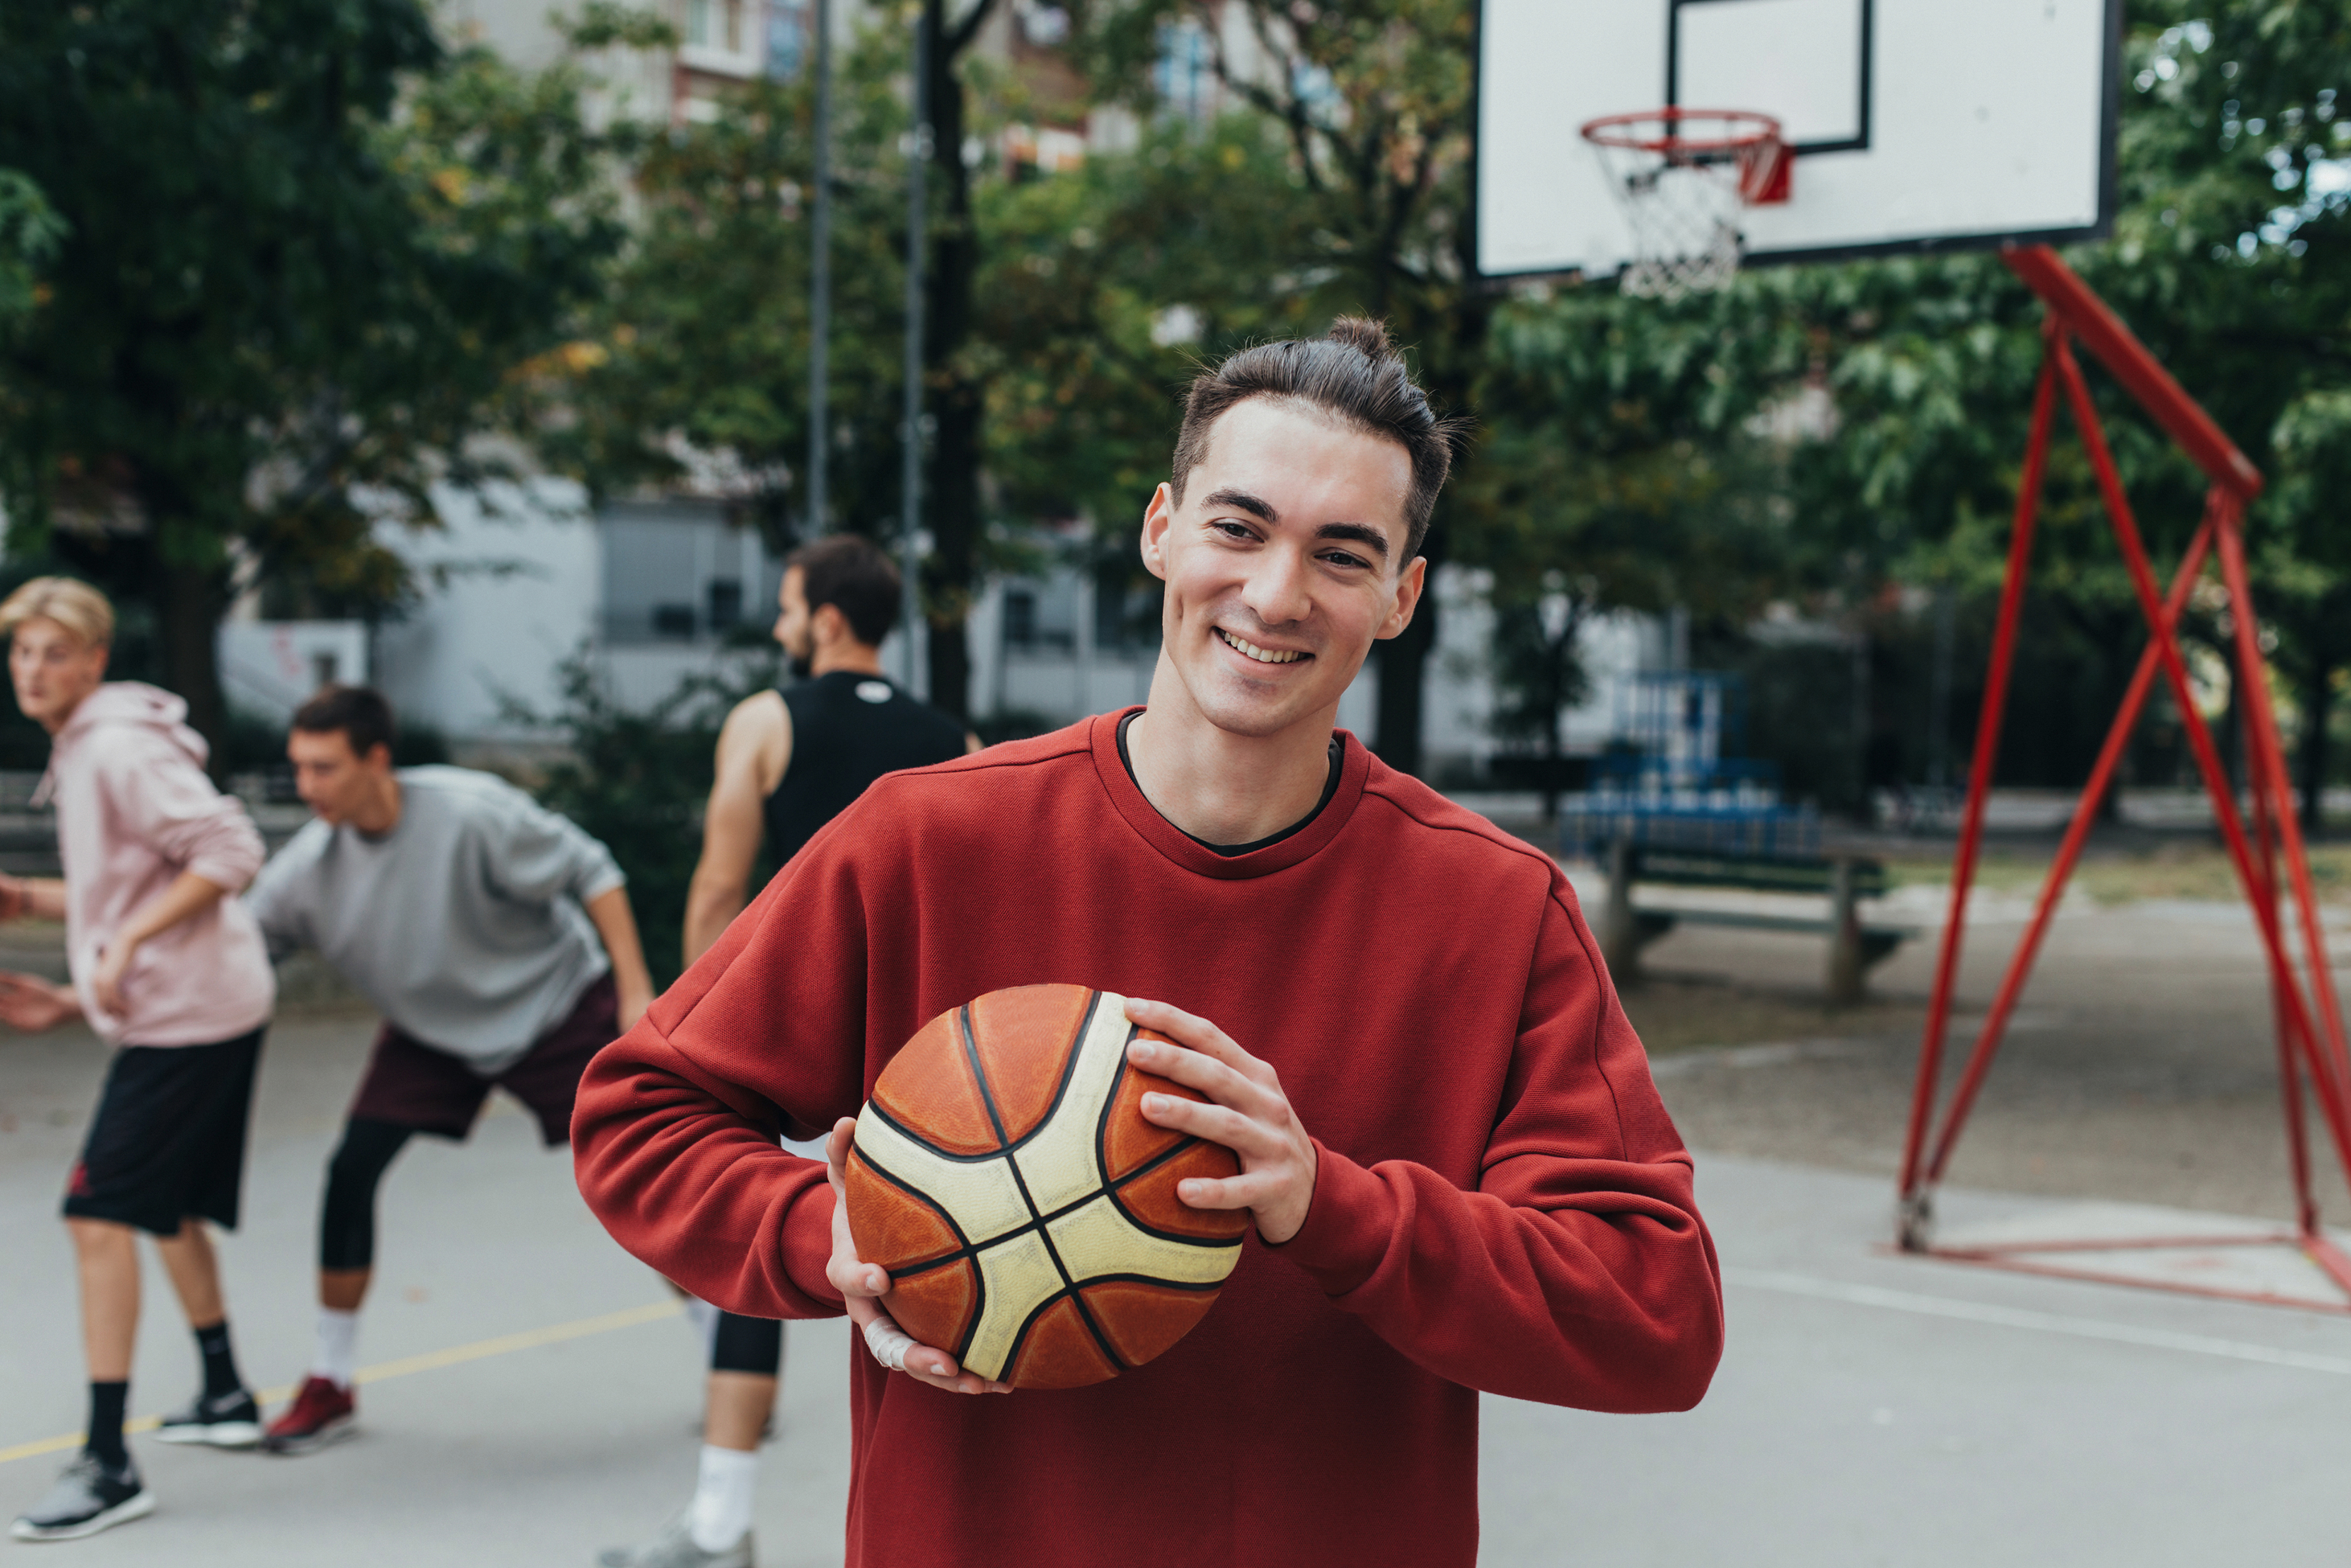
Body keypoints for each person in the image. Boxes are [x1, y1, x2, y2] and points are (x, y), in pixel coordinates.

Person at [572, 320, 1725, 1567]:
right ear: (1161, 528)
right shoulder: (924, 841)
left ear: (1401, 597)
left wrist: (1331, 1204)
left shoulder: (1496, 909)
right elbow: (639, 1112)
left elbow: (1654, 1313)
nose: (1277, 593)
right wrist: (836, 1231)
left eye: (1342, 554)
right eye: (1240, 527)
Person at [602, 535, 973, 1568]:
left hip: (797, 1029)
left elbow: (721, 887)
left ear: (826, 620)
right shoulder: (953, 734)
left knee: (761, 1259)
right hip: (922, 1053)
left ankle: (720, 1521)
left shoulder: (764, 720)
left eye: (786, 607)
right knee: (940, 1285)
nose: (777, 626)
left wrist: (697, 1032)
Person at [242, 684, 654, 1453]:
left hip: (553, 1003)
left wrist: (635, 990)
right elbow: (231, 953)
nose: (307, 788)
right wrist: (79, 997)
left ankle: (724, 1347)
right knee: (351, 1170)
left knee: (634, 1172)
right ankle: (331, 1378)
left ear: (377, 760)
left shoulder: (469, 811)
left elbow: (593, 869)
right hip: (433, 1030)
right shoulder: (306, 873)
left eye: (325, 768)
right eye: (299, 768)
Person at [0, 578, 277, 1542]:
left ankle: (109, 1462)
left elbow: (230, 848)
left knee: (98, 1211)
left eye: (52, 652)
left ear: (95, 658)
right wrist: (40, 917)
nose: (32, 670)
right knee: (163, 1209)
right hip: (203, 1004)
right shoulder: (91, 745)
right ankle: (225, 1392)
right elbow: (129, 882)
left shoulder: (114, 746)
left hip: (188, 1018)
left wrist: (116, 952)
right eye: (21, 652)